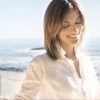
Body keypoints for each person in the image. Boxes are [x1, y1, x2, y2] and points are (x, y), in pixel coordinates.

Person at [12, 0, 100, 99]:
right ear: (53, 27)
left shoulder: (86, 62)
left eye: (77, 22)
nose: (75, 29)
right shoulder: (40, 64)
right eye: (66, 25)